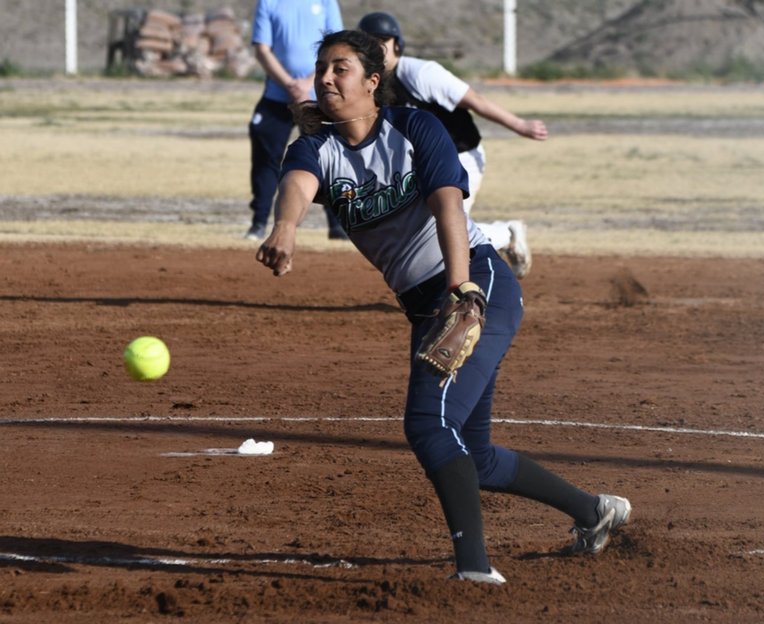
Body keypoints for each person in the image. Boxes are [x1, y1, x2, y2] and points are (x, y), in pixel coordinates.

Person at [255, 29, 631, 584]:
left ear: (373, 81)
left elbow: (448, 206)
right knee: (472, 456)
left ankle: (474, 571)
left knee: (430, 425)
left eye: (341, 68)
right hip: (427, 307)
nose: (326, 77)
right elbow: (298, 181)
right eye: (322, 69)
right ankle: (595, 511)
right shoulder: (318, 147)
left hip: (477, 285)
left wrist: (461, 290)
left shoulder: (413, 127)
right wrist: (284, 231)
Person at [357, 11, 548, 278]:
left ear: (397, 44)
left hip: (461, 156)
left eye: (382, 41)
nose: (375, 48)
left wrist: (519, 125)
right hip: (423, 164)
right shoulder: (369, 84)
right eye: (368, 42)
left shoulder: (421, 73)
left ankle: (506, 233)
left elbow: (476, 101)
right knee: (426, 230)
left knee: (450, 229)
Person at [246, 0, 348, 241]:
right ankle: (258, 223)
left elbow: (337, 47)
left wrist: (309, 83)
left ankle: (337, 226)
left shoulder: (326, 2)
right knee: (266, 159)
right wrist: (291, 85)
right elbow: (262, 49)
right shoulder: (268, 2)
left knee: (328, 159)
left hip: (318, 97)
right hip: (277, 96)